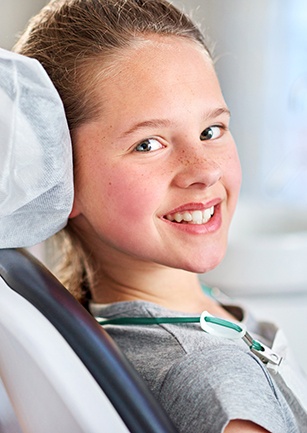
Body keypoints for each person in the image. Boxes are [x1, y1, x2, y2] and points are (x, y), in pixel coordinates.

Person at [13, 1, 307, 432]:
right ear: (60, 177)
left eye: (211, 131)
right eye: (148, 144)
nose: (205, 169)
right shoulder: (214, 378)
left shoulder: (135, 327)